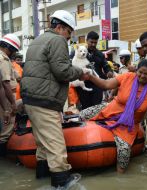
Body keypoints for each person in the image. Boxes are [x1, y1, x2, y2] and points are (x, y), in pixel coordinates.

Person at [21, 10, 87, 188]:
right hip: (44, 100)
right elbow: (63, 72)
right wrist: (81, 72)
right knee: (56, 146)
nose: (69, 37)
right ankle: (62, 182)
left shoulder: (37, 41)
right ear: (59, 27)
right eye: (69, 32)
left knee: (43, 146)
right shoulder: (57, 40)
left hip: (30, 99)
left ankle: (41, 179)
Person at [84, 59, 147, 173]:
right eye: (140, 72)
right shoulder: (127, 77)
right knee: (83, 115)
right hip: (110, 110)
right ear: (136, 71)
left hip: (128, 125)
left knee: (124, 154)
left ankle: (120, 179)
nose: (142, 76)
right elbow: (106, 84)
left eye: (146, 74)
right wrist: (91, 77)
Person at [75, 31, 113, 110]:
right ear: (86, 40)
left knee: (96, 110)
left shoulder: (100, 54)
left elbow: (106, 66)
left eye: (95, 42)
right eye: (91, 42)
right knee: (85, 109)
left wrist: (109, 72)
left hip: (97, 86)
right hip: (83, 87)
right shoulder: (78, 52)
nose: (93, 44)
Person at [0, 33, 20, 156]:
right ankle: (4, 158)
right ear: (9, 48)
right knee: (6, 130)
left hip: (4, 97)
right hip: (6, 99)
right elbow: (5, 84)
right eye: (14, 51)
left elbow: (16, 76)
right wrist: (12, 105)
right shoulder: (4, 60)